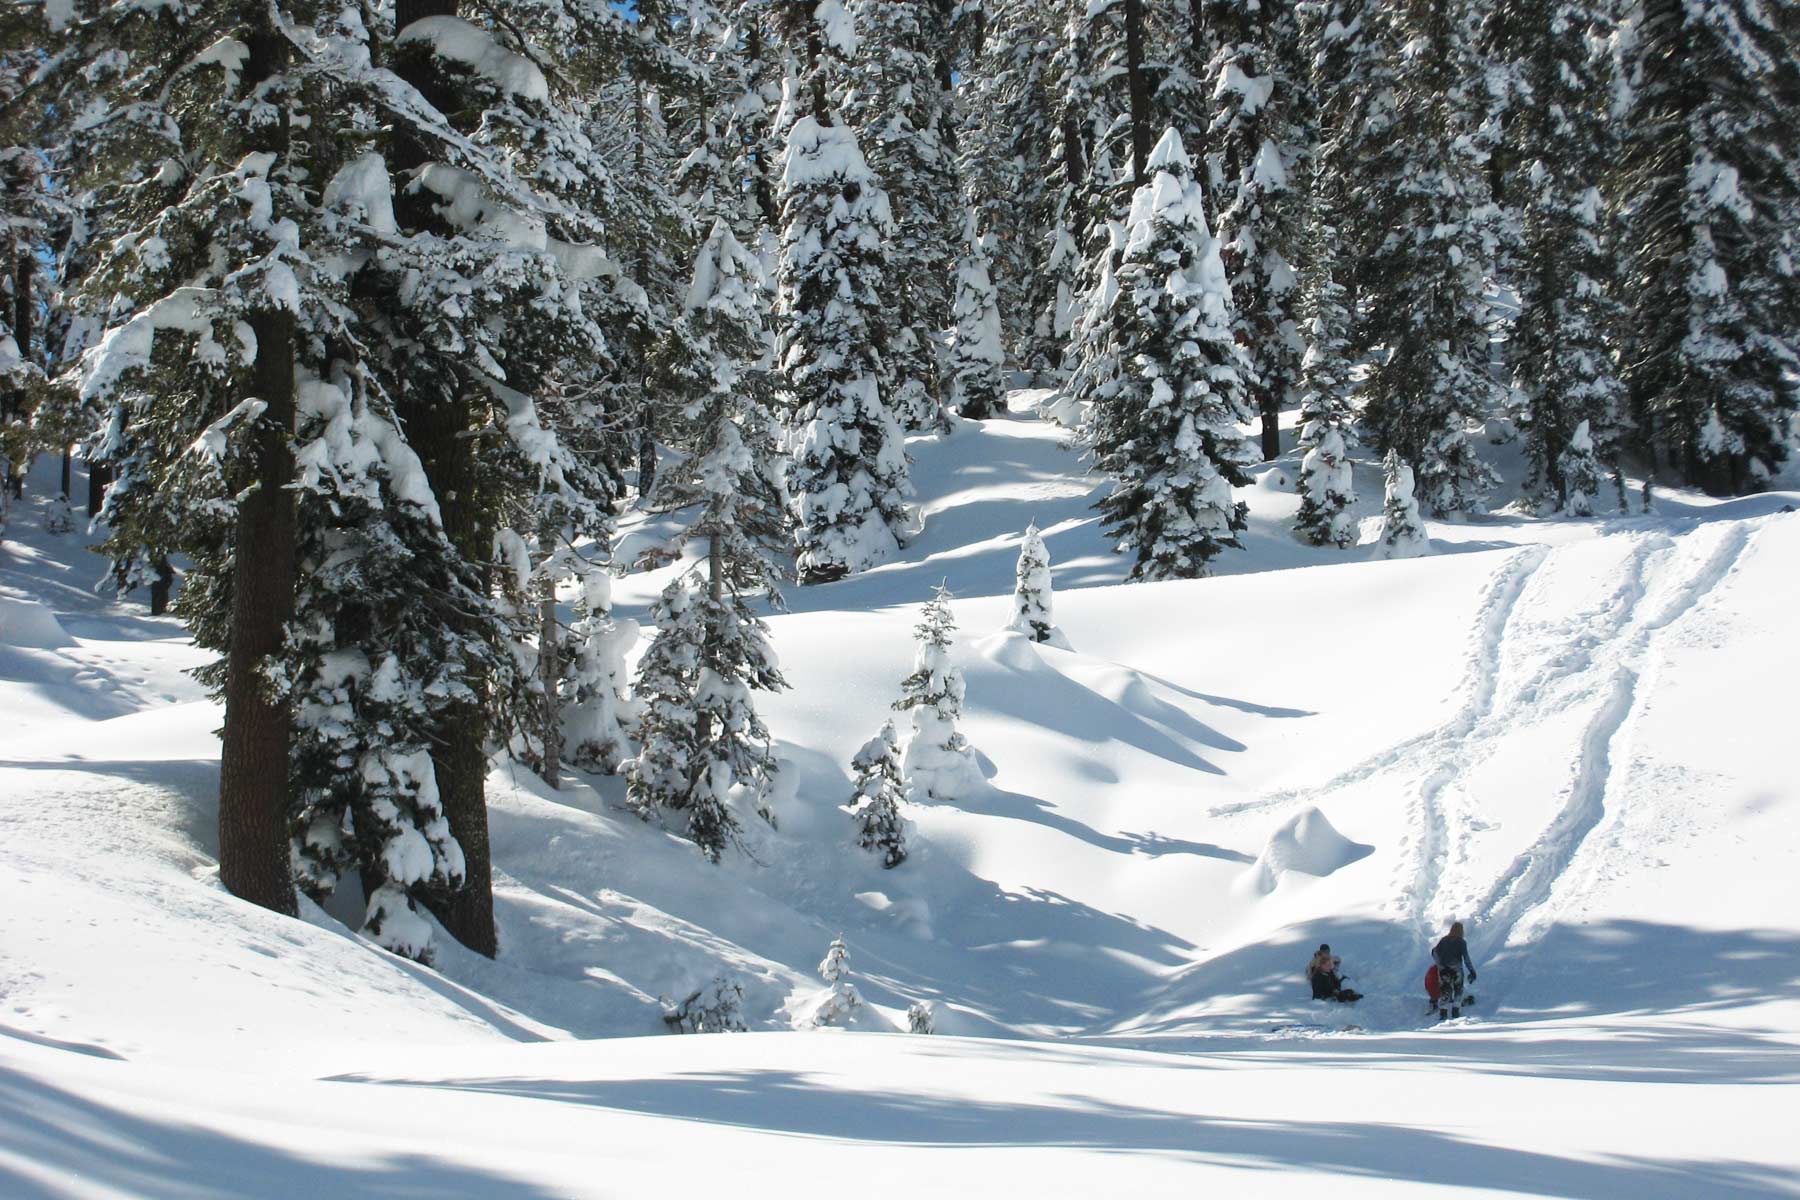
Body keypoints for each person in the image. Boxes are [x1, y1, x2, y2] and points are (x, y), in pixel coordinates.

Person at [1431, 921, 1478, 1018]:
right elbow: (1466, 958)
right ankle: (1455, 1012)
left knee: (1445, 991)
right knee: (1458, 990)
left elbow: (1434, 952)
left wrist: (1440, 965)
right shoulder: (1461, 942)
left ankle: (1443, 1013)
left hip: (1443, 970)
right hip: (1456, 969)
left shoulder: (1443, 940)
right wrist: (1472, 971)